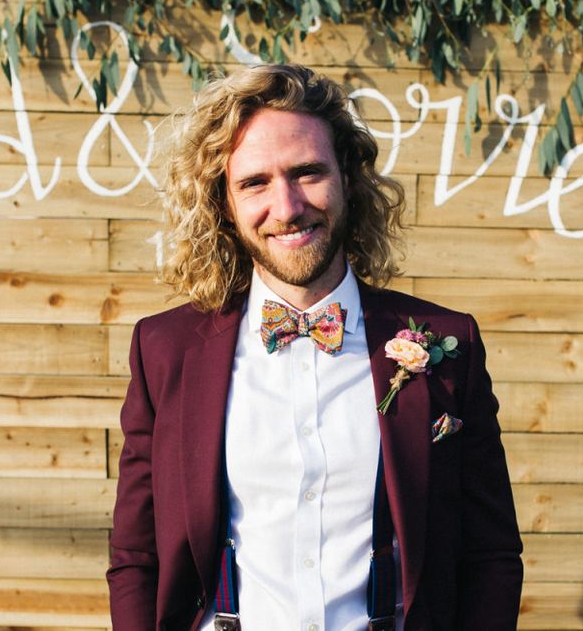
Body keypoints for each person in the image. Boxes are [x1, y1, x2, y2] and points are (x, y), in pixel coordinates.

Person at [107, 64, 523, 631]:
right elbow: (137, 556)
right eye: (254, 182)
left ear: (348, 177)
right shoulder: (164, 350)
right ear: (224, 204)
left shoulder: (450, 345)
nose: (287, 206)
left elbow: (490, 554)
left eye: (306, 173)